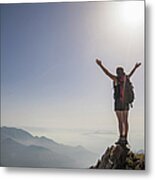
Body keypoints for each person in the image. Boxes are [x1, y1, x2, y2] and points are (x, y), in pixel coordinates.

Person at [96, 58, 141, 145]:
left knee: (120, 121)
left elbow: (107, 73)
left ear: (117, 72)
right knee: (126, 120)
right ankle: (126, 138)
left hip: (118, 103)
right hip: (126, 102)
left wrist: (100, 65)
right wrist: (135, 67)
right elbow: (131, 73)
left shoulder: (116, 79)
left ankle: (121, 138)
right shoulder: (126, 78)